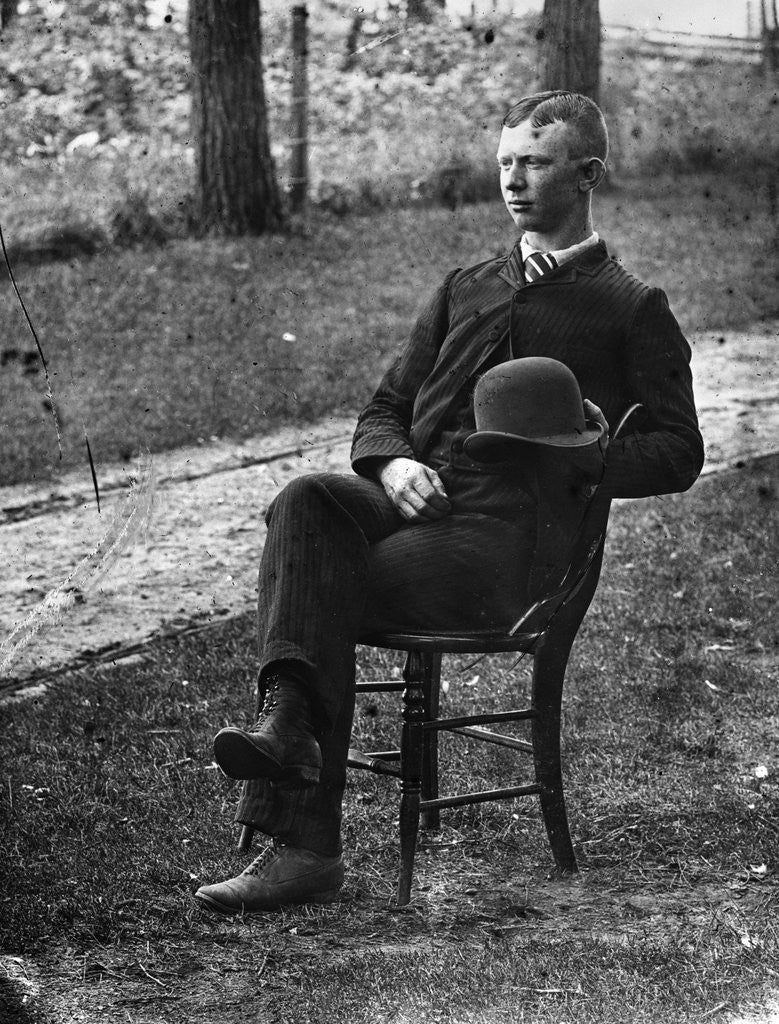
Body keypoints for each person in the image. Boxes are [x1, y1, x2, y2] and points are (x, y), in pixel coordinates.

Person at [194, 91, 703, 915]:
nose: (513, 179)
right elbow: (381, 410)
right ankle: (286, 725)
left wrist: (588, 454)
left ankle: (303, 842)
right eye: (505, 162)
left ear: (588, 175)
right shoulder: (464, 286)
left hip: (507, 547)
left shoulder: (628, 308)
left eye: (534, 163)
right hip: (415, 506)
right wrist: (391, 466)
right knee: (306, 503)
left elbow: (679, 452)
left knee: (319, 585)